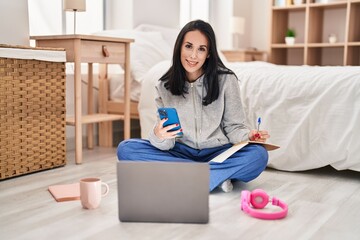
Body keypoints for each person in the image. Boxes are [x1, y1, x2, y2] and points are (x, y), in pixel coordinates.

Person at [117, 19, 270, 192]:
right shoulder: (163, 86)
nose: (193, 56)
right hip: (181, 151)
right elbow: (167, 144)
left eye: (201, 49)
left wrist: (249, 135)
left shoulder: (227, 80)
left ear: (209, 54)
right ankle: (214, 176)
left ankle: (188, 176)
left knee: (258, 155)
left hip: (218, 152)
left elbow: (234, 127)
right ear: (179, 48)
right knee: (126, 149)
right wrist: (159, 135)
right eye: (188, 46)